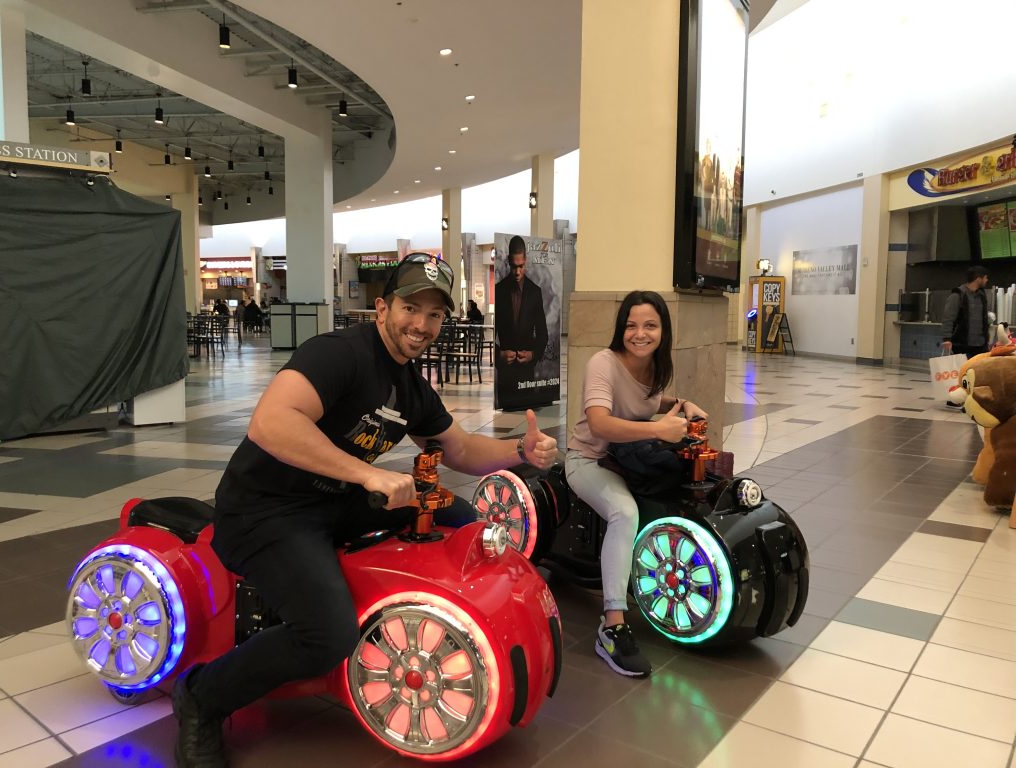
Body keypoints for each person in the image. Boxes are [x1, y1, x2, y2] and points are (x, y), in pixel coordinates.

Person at [171, 252, 558, 766]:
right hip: (264, 511)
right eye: (410, 308)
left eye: (434, 314)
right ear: (382, 308)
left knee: (456, 514)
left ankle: (452, 626)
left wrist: (520, 453)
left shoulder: (411, 386)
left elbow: (461, 449)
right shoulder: (339, 354)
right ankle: (202, 696)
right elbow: (270, 422)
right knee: (326, 633)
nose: (420, 324)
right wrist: (368, 474)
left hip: (332, 503)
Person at [564, 290, 707, 678]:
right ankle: (612, 627)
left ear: (663, 331)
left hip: (631, 462)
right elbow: (600, 423)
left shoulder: (654, 367)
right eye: (631, 326)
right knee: (624, 513)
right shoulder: (603, 363)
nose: (639, 334)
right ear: (620, 329)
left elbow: (646, 400)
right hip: (589, 460)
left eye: (650, 325)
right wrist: (656, 429)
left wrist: (682, 402)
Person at [495, 235, 548, 395]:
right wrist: (500, 355)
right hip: (505, 371)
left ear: (526, 260)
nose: (517, 272)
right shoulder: (499, 290)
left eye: (521, 266)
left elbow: (543, 333)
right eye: (513, 266)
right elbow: (491, 334)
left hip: (526, 371)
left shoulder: (535, 292)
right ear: (508, 261)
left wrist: (533, 355)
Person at [942, 265, 990, 358]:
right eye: (985, 278)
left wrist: (986, 339)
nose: (986, 280)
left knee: (979, 371)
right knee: (964, 371)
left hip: (981, 345)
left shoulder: (981, 295)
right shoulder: (958, 295)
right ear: (978, 279)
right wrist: (946, 339)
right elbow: (948, 318)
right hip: (961, 345)